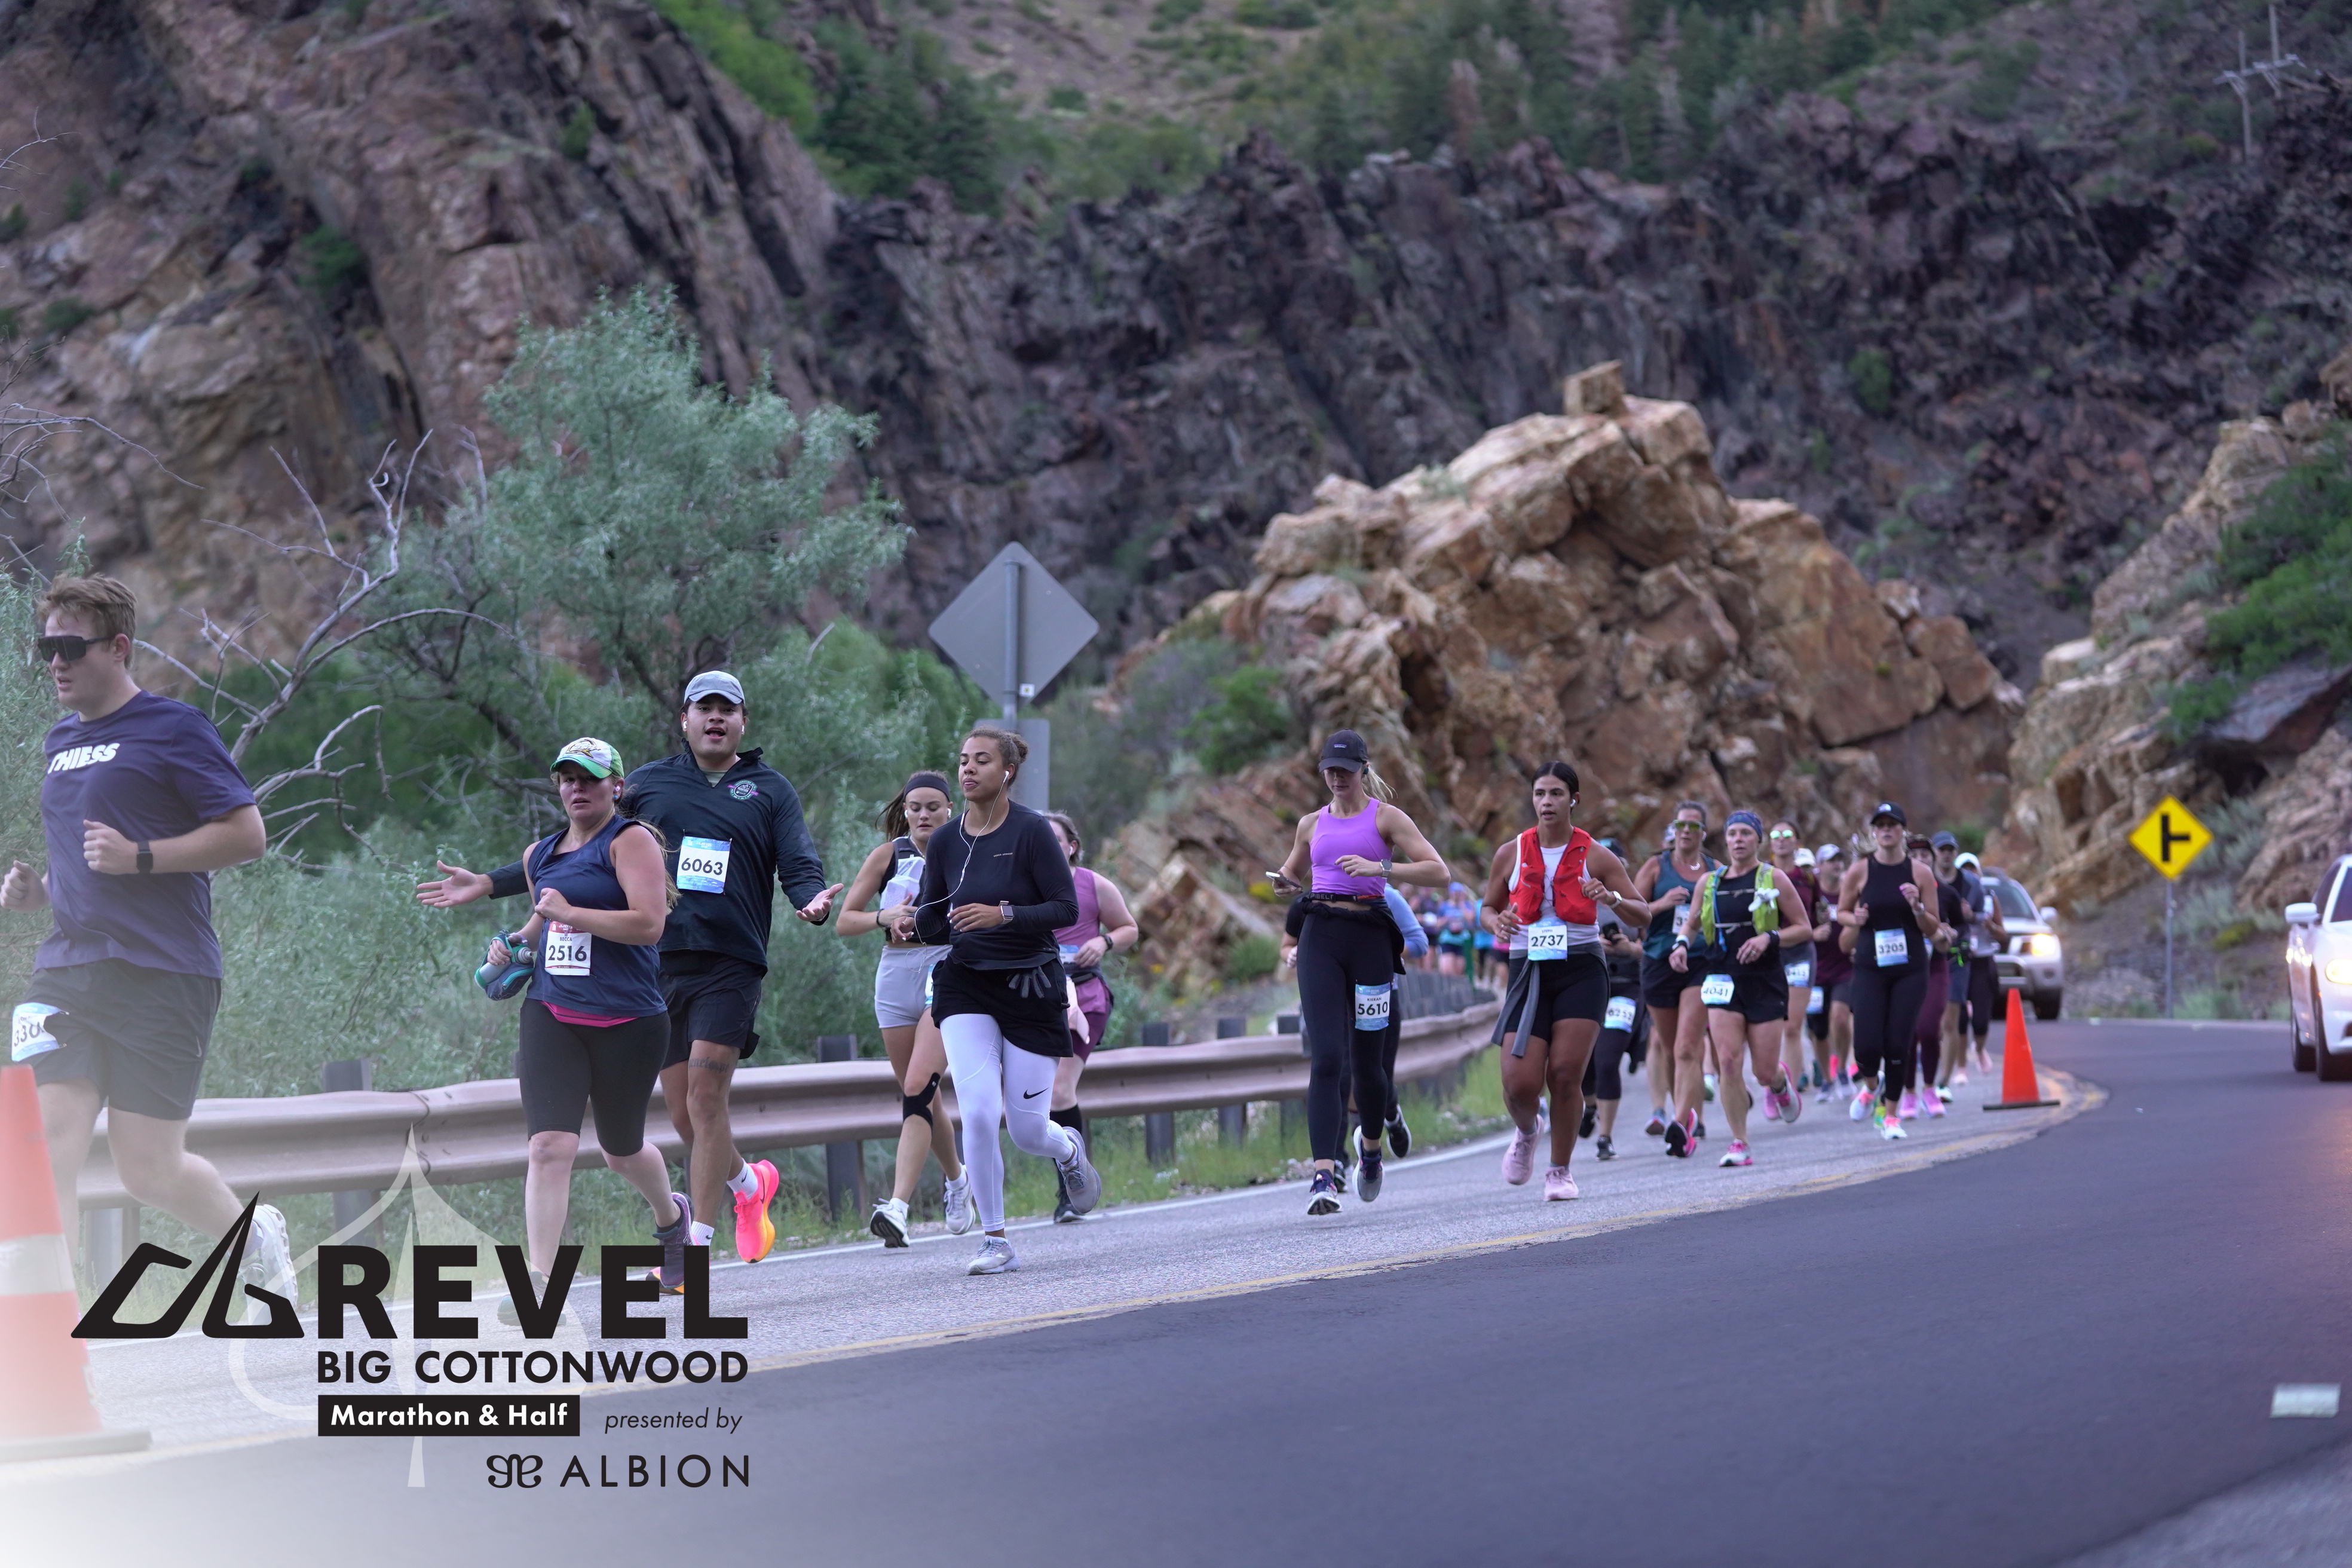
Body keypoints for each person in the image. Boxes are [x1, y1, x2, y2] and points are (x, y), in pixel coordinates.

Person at [418, 670, 841, 1272]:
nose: (715, 718)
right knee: (683, 1114)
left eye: (726, 709)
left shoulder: (770, 789)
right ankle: (749, 1184)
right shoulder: (649, 782)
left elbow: (798, 861)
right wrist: (490, 883)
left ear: (743, 721)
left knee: (704, 1098)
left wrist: (810, 900)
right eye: (703, 708)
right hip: (658, 968)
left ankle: (693, 1249)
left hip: (731, 959)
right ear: (684, 720)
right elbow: (570, 849)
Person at [5, 575, 285, 1312]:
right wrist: (41, 893)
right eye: (46, 648)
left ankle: (255, 1239)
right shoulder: (60, 740)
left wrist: (142, 856)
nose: (56, 662)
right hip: (67, 970)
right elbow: (83, 858)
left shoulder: (173, 727)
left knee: (149, 1171)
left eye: (71, 646)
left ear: (119, 646)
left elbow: (247, 834)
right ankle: (46, 1330)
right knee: (42, 1144)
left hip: (164, 972)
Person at [490, 738, 692, 1308]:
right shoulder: (540, 854)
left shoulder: (631, 840)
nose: (576, 788)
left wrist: (571, 914)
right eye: (567, 779)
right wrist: (511, 945)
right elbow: (541, 925)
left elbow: (649, 925)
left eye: (589, 778)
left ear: (616, 787)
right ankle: (540, 1283)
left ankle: (671, 1219)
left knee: (620, 1152)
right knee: (548, 1147)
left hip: (629, 1019)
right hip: (553, 1012)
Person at [911, 725, 1102, 1273]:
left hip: (1029, 985)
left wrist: (1004, 915)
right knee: (976, 1111)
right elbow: (934, 916)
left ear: (1007, 771)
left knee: (1027, 1131)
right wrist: (912, 923)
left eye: (982, 760)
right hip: (967, 983)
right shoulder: (945, 841)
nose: (968, 769)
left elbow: (1065, 909)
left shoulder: (1032, 832)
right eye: (963, 760)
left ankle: (1068, 1150)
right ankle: (996, 1240)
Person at [1269, 730, 1451, 1215]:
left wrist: (1381, 868)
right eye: (1330, 770)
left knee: (1369, 1065)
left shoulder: (1386, 818)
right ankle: (1323, 1175)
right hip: (1321, 937)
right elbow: (1292, 874)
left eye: (1346, 771)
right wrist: (1285, 884)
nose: (1337, 778)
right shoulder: (1311, 823)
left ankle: (1371, 1150)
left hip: (1371, 939)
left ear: (1364, 770)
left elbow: (1439, 872)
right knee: (1327, 1057)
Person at [1480, 762, 1651, 1199]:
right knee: (1519, 1083)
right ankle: (1527, 1130)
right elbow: (1487, 908)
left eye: (1556, 793)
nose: (1547, 802)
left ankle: (1560, 1171)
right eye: (1540, 793)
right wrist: (1496, 923)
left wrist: (1611, 897)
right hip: (1529, 970)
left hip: (1581, 970)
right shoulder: (1511, 853)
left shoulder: (1596, 855)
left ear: (1573, 799)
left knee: (1564, 1072)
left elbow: (1642, 913)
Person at [837, 771, 969, 1247]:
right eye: (916, 807)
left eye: (934, 807)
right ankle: (958, 1180)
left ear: (950, 809)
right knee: (922, 1094)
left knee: (917, 1086)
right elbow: (846, 921)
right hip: (895, 973)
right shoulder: (888, 855)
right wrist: (884, 916)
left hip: (945, 967)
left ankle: (897, 1207)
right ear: (906, 811)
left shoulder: (966, 850)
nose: (924, 815)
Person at [1671, 811, 1807, 1167]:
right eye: (1733, 834)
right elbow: (1692, 924)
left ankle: (1779, 1083)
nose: (1738, 840)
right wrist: (1681, 945)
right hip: (1722, 979)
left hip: (1764, 980)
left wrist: (1769, 938)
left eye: (1746, 833)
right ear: (1726, 840)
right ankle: (1739, 1142)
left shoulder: (1773, 878)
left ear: (1758, 839)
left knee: (1763, 1072)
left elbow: (1803, 928)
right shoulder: (1710, 882)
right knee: (1729, 1062)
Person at [1043, 812, 1138, 1223]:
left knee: (1059, 1090)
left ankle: (1071, 1191)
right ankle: (1072, 1173)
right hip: (1035, 998)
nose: (1048, 847)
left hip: (1084, 998)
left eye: (1055, 839)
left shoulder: (1094, 885)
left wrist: (1103, 941)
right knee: (1037, 1097)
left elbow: (1129, 928)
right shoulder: (1021, 887)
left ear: (1072, 846)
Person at [1834, 803, 1949, 1141]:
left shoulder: (1920, 873)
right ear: (1874, 831)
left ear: (1903, 831)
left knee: (1899, 1043)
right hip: (1870, 967)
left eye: (1893, 825)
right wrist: (1855, 919)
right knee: (1866, 1046)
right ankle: (1871, 1086)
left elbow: (1933, 926)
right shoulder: (1860, 871)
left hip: (1910, 969)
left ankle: (1892, 1115)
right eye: (1881, 825)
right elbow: (1841, 912)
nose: (1886, 830)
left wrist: (1917, 908)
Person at [1632, 802, 1719, 1154]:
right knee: (1671, 1051)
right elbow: (1632, 913)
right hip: (1658, 962)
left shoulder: (1715, 870)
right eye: (1680, 825)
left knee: (1687, 1047)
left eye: (1693, 827)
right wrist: (1663, 903)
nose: (1686, 832)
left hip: (1700, 962)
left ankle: (1683, 1122)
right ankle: (1688, 1115)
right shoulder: (1657, 866)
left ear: (1703, 833)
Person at [1584, 837, 1649, 1162]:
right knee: (1581, 1066)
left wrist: (1630, 949)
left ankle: (1605, 1136)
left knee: (1607, 1060)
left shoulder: (1634, 900)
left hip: (1626, 987)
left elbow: (1653, 946)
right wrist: (1592, 942)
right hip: (1587, 986)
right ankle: (1590, 1105)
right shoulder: (1576, 898)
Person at [1906, 832, 1968, 1120]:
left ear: (1932, 860)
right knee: (1907, 1033)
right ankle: (1908, 1093)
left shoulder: (1945, 893)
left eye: (1925, 856)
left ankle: (1930, 1089)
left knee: (1930, 1029)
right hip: (1903, 969)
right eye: (1914, 856)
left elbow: (1960, 926)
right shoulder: (1895, 891)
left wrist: (1952, 934)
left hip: (1935, 966)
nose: (1920, 861)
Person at [1767, 820, 1833, 1095]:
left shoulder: (1807, 878)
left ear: (1797, 842)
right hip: (1770, 955)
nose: (1781, 839)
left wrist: (1820, 926)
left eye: (1787, 835)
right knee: (1771, 1025)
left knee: (1792, 1026)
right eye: (1775, 835)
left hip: (1800, 954)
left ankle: (1790, 1092)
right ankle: (1774, 1081)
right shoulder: (1762, 875)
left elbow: (1816, 913)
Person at [1808, 843, 1854, 1101]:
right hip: (1816, 970)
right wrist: (1813, 934)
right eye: (1831, 860)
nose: (1837, 864)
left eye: (1839, 859)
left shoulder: (1850, 891)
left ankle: (1843, 1069)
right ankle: (1827, 1079)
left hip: (1844, 968)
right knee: (1819, 1031)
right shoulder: (1812, 894)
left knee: (1840, 1018)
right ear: (1820, 866)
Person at [1953, 850, 2005, 1076]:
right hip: (1959, 959)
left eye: (1972, 869)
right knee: (1960, 1018)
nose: (1969, 874)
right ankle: (1961, 1067)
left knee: (1981, 1019)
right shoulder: (1950, 895)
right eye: (1964, 870)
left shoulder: (1989, 897)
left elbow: (2003, 934)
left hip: (1982, 960)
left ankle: (1980, 1049)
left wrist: (1990, 926)